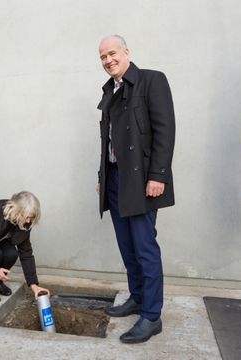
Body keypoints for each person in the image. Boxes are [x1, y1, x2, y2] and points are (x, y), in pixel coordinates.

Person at [96, 35, 175, 344]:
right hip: (115, 179)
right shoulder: (110, 90)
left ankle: (152, 315)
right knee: (127, 246)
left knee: (144, 247)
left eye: (112, 53)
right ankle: (137, 297)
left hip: (142, 181)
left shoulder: (151, 81)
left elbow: (165, 130)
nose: (107, 60)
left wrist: (158, 175)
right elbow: (109, 139)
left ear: (126, 52)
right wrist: (102, 176)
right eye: (102, 56)